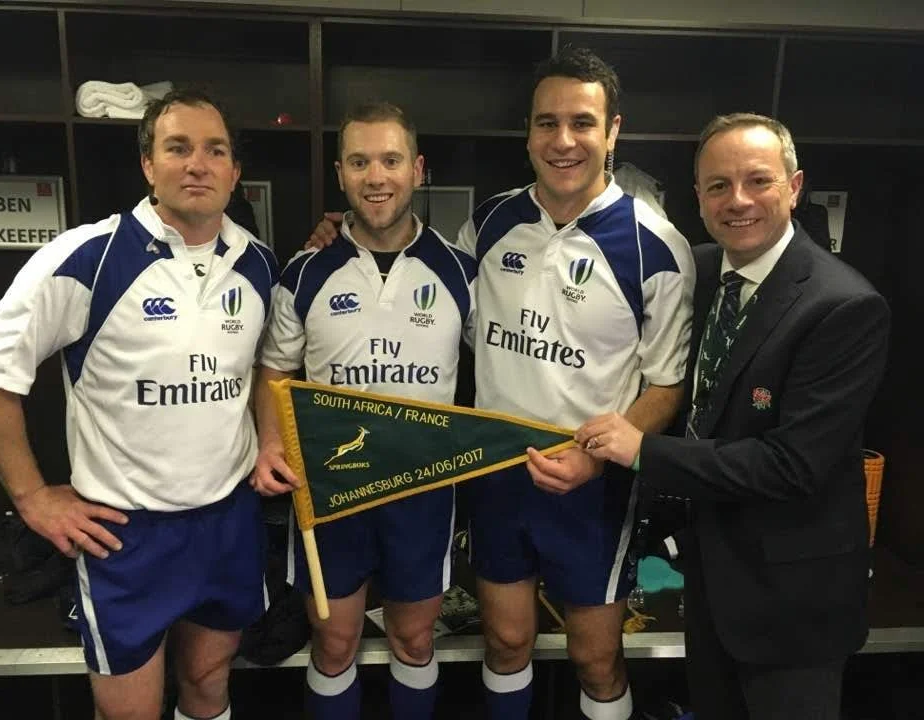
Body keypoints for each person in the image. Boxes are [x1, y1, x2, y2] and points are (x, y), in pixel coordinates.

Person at [307, 47, 696, 720]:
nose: (563, 140)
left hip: (593, 483)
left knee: (596, 658)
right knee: (508, 641)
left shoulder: (657, 246)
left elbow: (666, 385)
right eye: (547, 123)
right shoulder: (487, 226)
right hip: (496, 473)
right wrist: (341, 241)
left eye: (582, 122)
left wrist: (597, 455)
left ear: (612, 132)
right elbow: (417, 278)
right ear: (529, 134)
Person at [0, 88, 278, 720]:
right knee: (129, 712)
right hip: (127, 536)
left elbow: (261, 373)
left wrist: (268, 440)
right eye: (178, 148)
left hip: (228, 521)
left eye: (215, 150)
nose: (198, 164)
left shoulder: (259, 264)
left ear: (235, 172)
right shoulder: (87, 257)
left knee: (209, 684)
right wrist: (32, 497)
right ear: (147, 165)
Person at [576, 112, 890, 720]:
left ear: (794, 187)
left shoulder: (844, 306)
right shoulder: (694, 271)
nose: (737, 200)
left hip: (793, 607)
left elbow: (792, 465)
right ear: (698, 197)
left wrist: (641, 449)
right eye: (718, 185)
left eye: (758, 181)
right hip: (711, 586)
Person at [252, 102, 476, 720]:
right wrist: (270, 444)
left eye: (390, 160)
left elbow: (503, 363)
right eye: (359, 162)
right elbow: (274, 372)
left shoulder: (461, 272)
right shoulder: (305, 271)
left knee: (416, 639)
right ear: (340, 173)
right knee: (334, 642)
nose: (376, 177)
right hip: (332, 488)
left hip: (423, 488)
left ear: (417, 170)